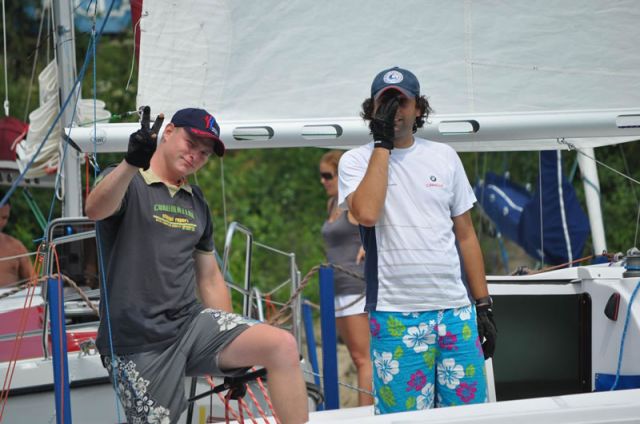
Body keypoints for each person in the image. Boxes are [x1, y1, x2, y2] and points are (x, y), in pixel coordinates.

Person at [85, 107, 308, 424]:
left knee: (282, 346)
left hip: (190, 324)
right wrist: (130, 163)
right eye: (191, 143)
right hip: (137, 341)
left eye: (204, 153)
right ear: (169, 132)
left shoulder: (196, 200)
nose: (195, 156)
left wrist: (233, 364)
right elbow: (94, 209)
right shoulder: (126, 179)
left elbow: (210, 278)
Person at [337, 67, 497, 414]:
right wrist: (382, 144)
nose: (394, 110)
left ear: (419, 108)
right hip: (395, 313)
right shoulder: (355, 160)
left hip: (454, 310)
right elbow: (366, 214)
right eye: (385, 102)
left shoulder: (444, 156)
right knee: (404, 419)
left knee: (470, 417)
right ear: (372, 109)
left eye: (402, 101)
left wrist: (483, 304)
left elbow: (466, 235)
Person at [319, 150, 373, 406]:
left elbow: (380, 218)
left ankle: (365, 416)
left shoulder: (354, 201)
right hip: (336, 288)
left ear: (341, 175)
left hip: (356, 286)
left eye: (327, 175)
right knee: (355, 356)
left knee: (363, 358)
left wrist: (369, 244)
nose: (323, 181)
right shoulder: (332, 204)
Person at [0, 193, 35, 287]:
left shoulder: (16, 247)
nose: (0, 222)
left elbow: (33, 284)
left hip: (12, 296)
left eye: (4, 218)